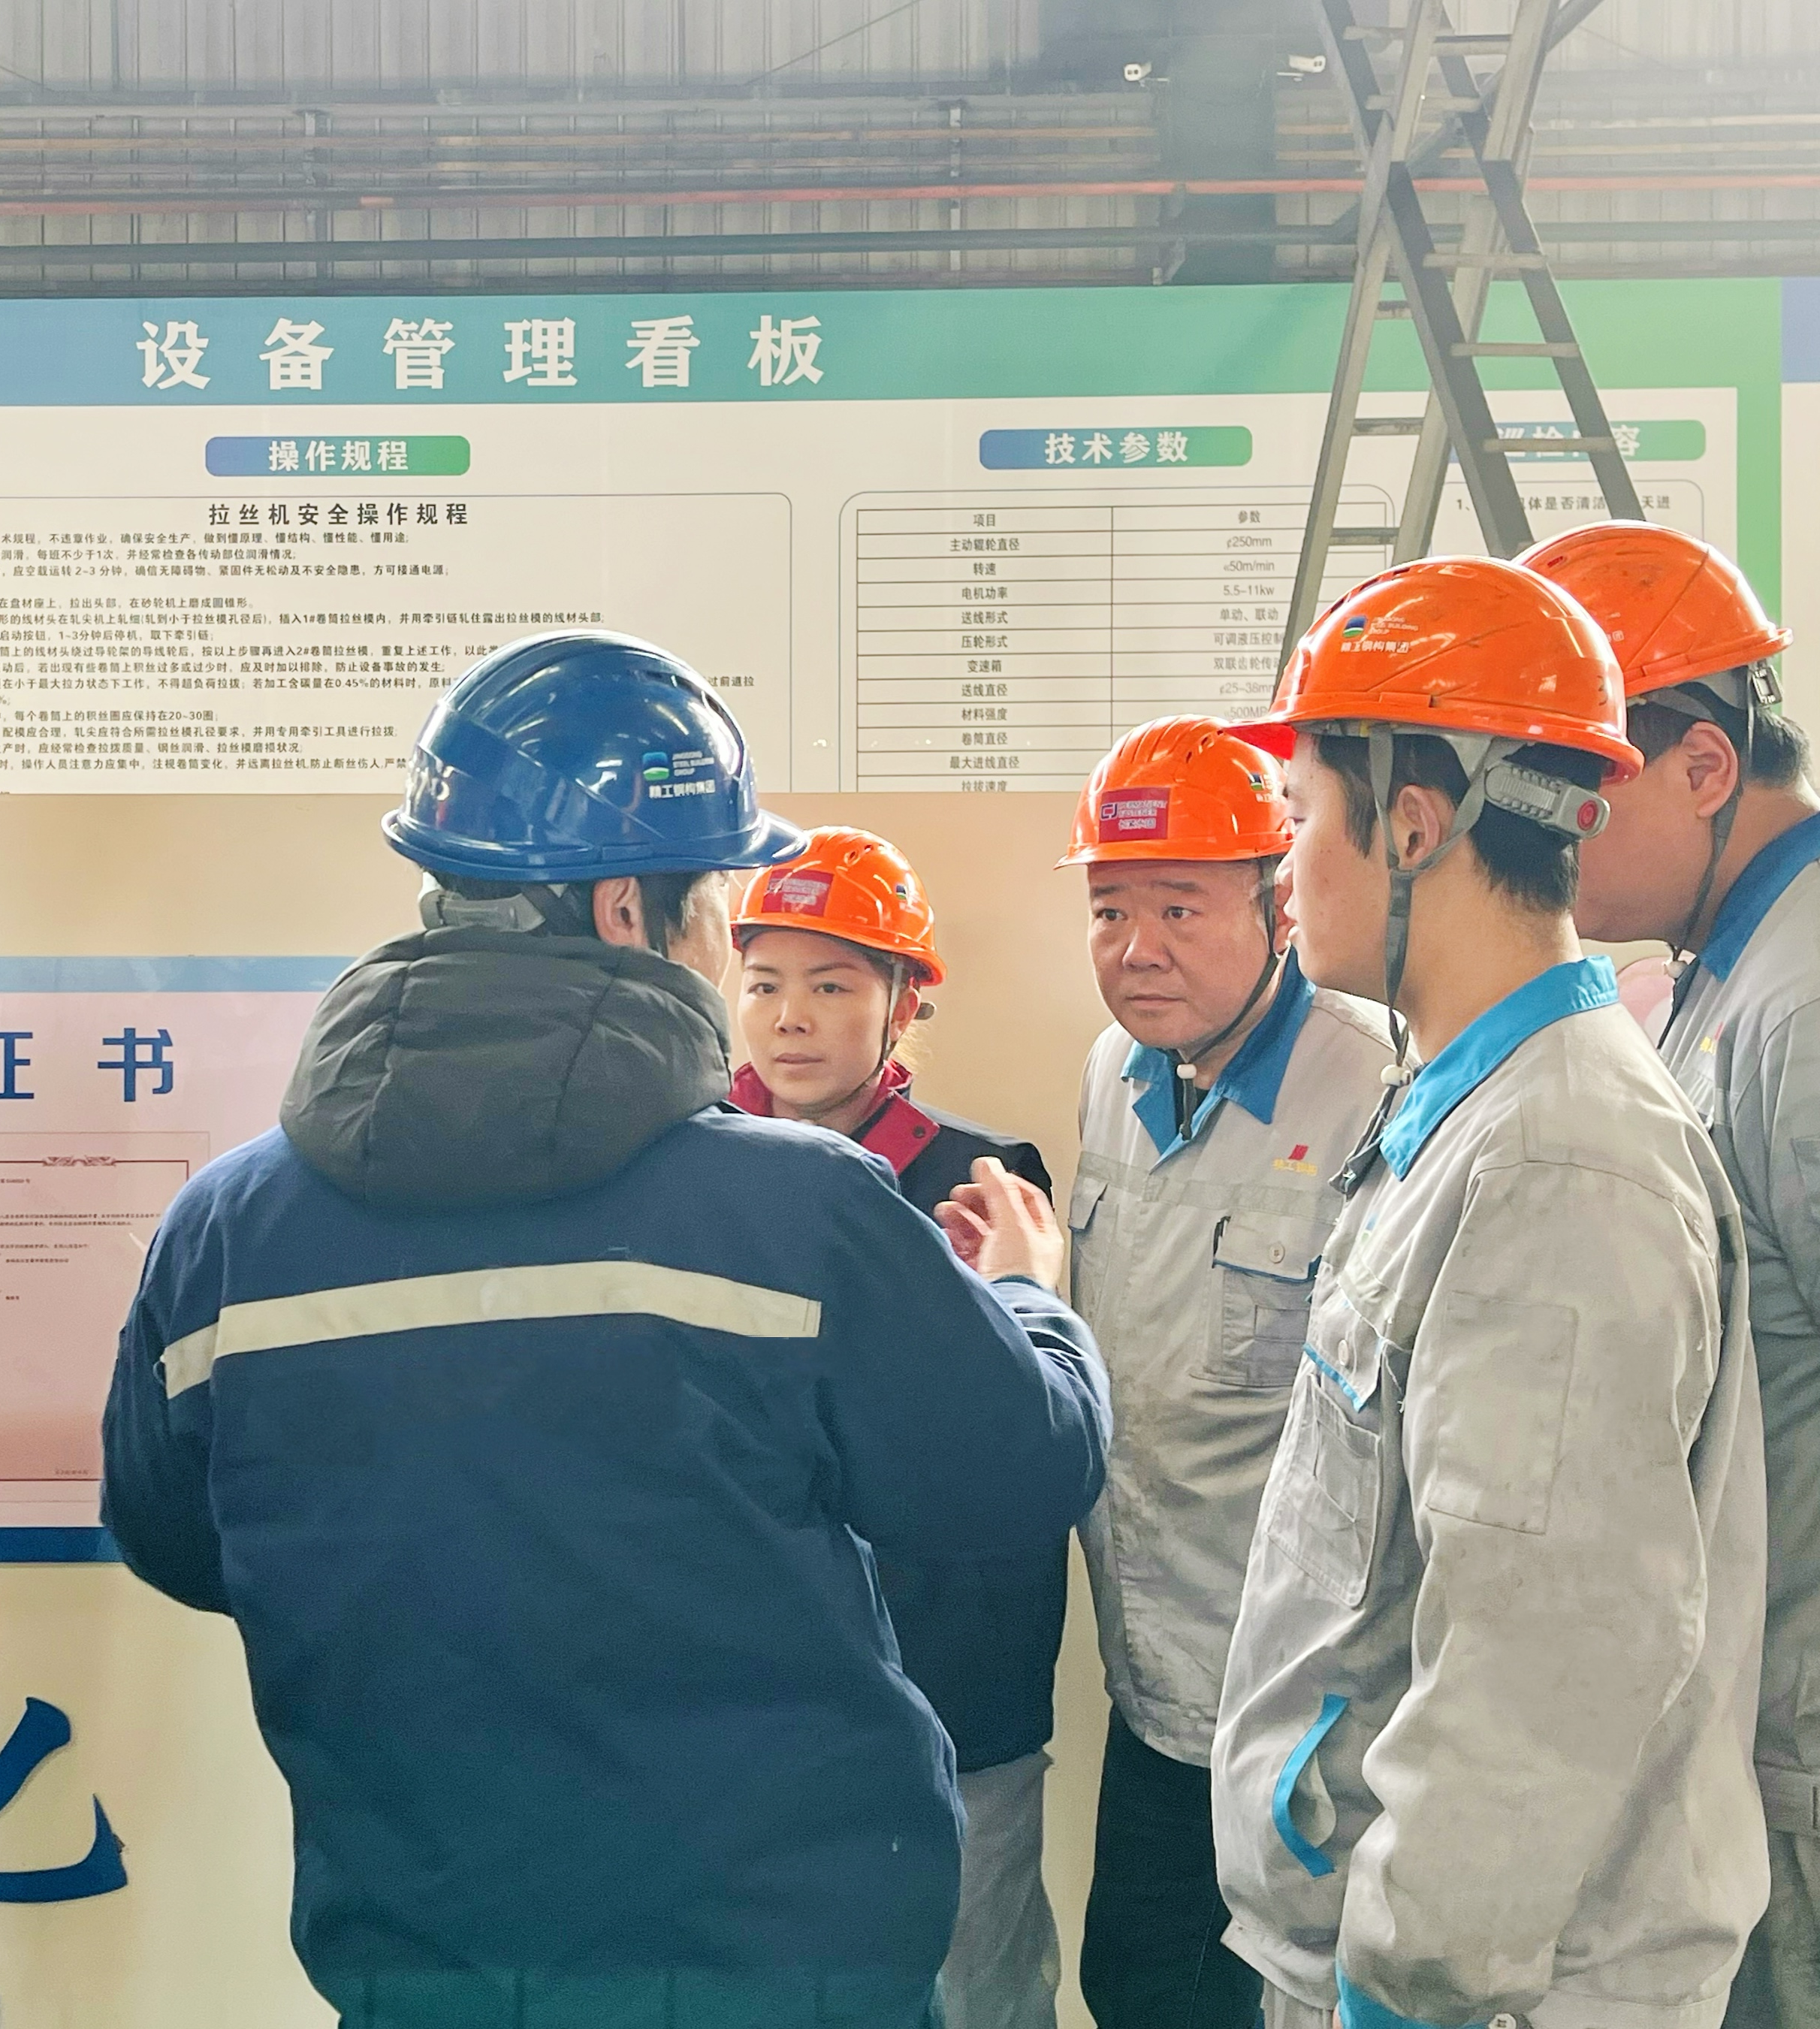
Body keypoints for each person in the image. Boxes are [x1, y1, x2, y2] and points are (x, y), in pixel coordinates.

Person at [101, 631, 1112, 2029]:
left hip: (424, 1959)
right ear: (630, 909)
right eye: (722, 907)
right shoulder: (802, 1208)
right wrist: (1027, 1294)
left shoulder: (224, 1230)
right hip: (778, 1970)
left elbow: (175, 1536)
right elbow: (1016, 1472)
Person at [1206, 558, 1767, 2029]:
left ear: (1413, 825)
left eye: (1300, 818)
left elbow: (1541, 1657)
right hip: (1392, 1954)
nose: (1284, 868)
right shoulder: (1477, 1103)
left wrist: (1409, 1984)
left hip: (1481, 1992)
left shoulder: (1561, 1159)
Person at [1530, 520, 1820, 2029]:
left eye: (1575, 799)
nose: (1546, 845)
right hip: (1792, 1736)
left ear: (1703, 764)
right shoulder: (1746, 958)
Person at [1057, 717, 1390, 2029]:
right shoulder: (1111, 1070)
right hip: (1151, 1686)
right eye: (1109, 909)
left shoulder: (1371, 1080)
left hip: (1311, 1716)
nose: (1136, 948)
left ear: (1278, 903)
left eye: (1179, 907)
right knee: (1137, 1988)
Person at [729, 825, 1061, 2029]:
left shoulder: (984, 1185)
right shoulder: (684, 1175)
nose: (790, 1018)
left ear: (903, 1002)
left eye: (832, 986)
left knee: (973, 1985)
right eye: (764, 983)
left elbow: (1025, 1439)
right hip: (751, 1693)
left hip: (955, 1691)